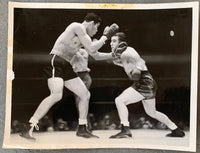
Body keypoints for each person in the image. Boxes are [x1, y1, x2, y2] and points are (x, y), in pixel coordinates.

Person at [20, 12, 118, 140]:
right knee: (56, 95)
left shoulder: (84, 36)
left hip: (66, 65)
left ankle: (82, 128)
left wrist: (113, 55)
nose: (96, 31)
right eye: (97, 27)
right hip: (56, 59)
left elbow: (95, 54)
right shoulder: (77, 26)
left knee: (85, 94)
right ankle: (29, 126)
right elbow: (92, 47)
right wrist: (105, 36)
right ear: (92, 22)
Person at [109, 32, 185, 138]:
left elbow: (139, 66)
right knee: (152, 112)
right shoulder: (126, 51)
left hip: (143, 82)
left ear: (121, 42)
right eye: (110, 41)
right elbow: (135, 65)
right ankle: (176, 130)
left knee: (119, 100)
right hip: (149, 82)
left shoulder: (127, 52)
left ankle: (125, 129)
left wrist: (131, 68)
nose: (111, 44)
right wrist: (122, 64)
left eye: (114, 41)